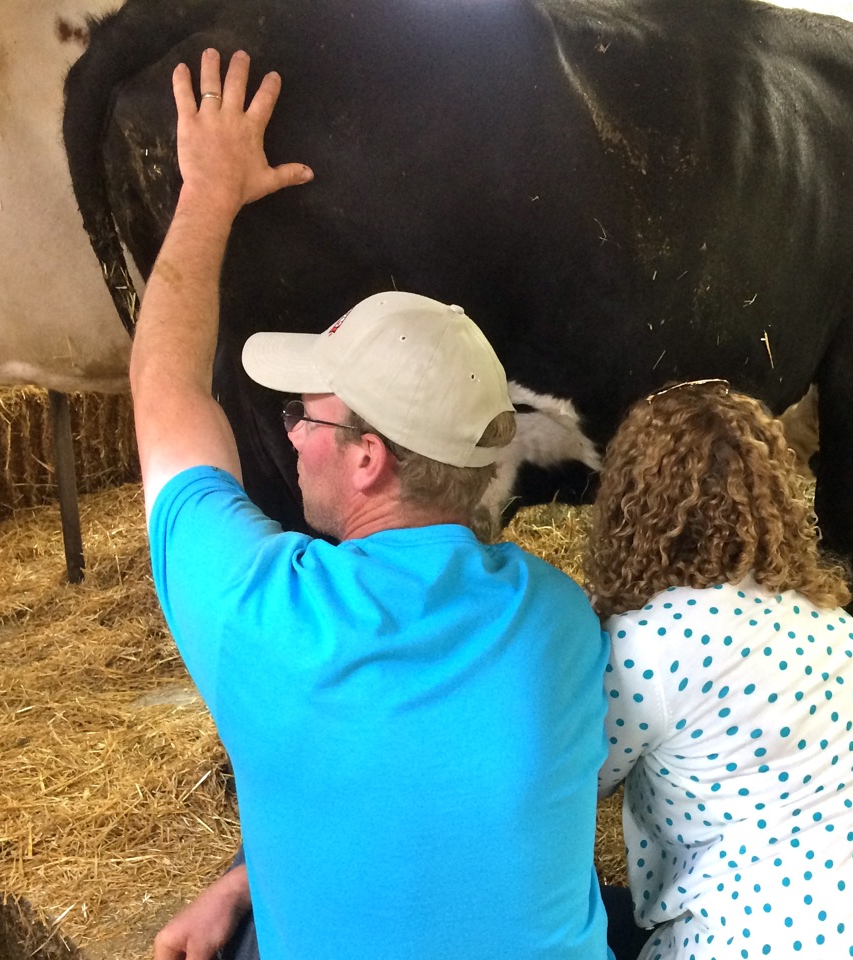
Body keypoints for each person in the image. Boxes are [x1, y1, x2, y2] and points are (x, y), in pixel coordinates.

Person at [137, 50, 611, 959]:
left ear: (366, 458)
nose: (288, 436)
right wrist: (245, 878)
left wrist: (207, 191)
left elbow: (164, 389)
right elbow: (426, 804)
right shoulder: (562, 621)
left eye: (302, 416)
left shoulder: (263, 614)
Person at [584, 379, 853, 960]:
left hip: (776, 940)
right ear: (771, 493)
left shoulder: (645, 643)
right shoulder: (825, 612)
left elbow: (579, 777)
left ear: (630, 501)